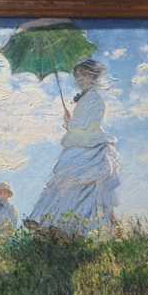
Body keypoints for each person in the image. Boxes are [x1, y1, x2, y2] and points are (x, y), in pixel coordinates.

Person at [28, 59, 120, 235]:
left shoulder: (94, 99)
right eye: (77, 76)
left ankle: (73, 227)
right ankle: (54, 224)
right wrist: (70, 121)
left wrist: (70, 123)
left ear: (93, 76)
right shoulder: (85, 99)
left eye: (83, 75)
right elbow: (78, 124)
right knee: (65, 186)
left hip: (88, 147)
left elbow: (84, 125)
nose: (80, 79)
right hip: (78, 145)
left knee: (82, 187)